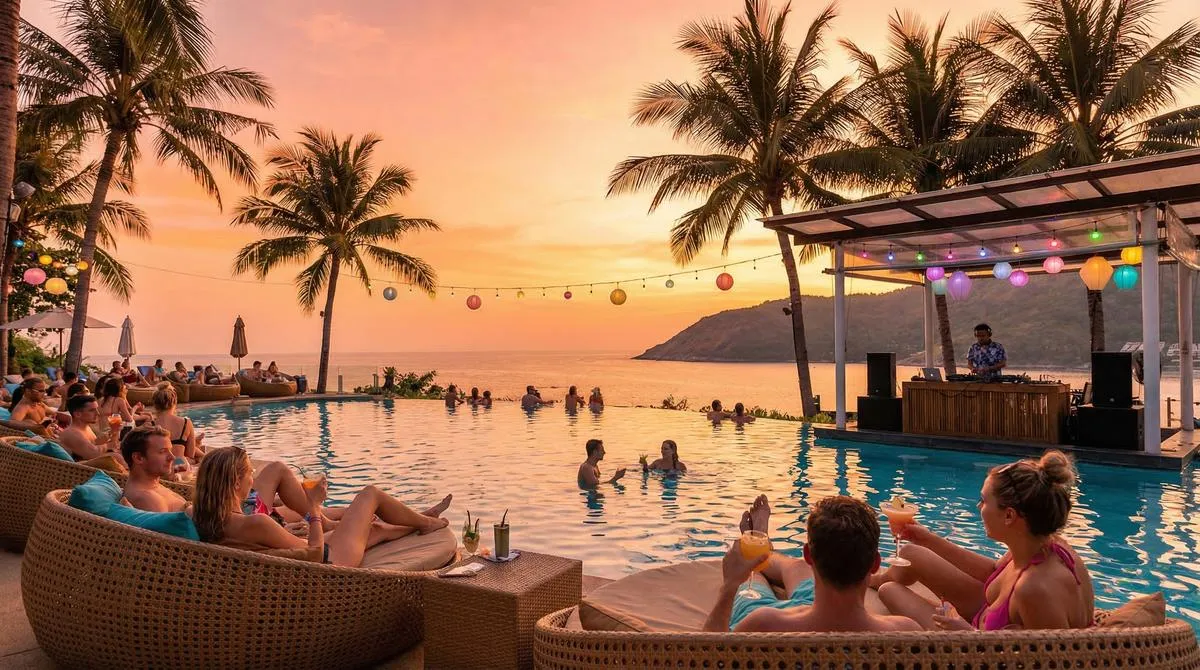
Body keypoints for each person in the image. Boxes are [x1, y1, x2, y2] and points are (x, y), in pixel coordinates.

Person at [874, 450, 1093, 631]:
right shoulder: (1042, 543)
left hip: (976, 641)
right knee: (911, 554)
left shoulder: (1034, 590)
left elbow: (1051, 660)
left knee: (890, 591)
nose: (979, 507)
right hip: (984, 616)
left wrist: (966, 632)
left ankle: (877, 584)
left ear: (1009, 516)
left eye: (983, 501)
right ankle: (874, 580)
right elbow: (994, 571)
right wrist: (928, 538)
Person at [191, 446, 453, 567]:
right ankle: (427, 522)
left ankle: (422, 519)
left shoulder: (201, 515)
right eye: (250, 473)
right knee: (370, 494)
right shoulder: (253, 522)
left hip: (300, 560)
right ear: (237, 482)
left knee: (374, 528)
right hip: (330, 563)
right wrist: (314, 509)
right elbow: (314, 552)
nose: (254, 478)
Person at [704, 495, 922, 633]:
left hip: (801, 616)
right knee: (796, 569)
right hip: (819, 606)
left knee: (755, 576)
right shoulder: (905, 633)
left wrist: (729, 587)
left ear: (809, 555)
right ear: (875, 564)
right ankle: (765, 547)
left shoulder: (764, 624)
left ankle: (758, 551)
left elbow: (707, 659)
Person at [121, 425, 191, 512]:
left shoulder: (152, 487)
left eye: (170, 450)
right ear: (138, 458)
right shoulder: (147, 499)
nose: (172, 457)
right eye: (162, 451)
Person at [58, 394, 122, 464]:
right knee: (116, 457)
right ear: (77, 414)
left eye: (97, 409)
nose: (97, 413)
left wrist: (114, 431)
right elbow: (92, 454)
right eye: (92, 410)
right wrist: (109, 445)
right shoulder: (71, 433)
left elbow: (93, 443)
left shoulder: (85, 428)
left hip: (90, 468)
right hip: (79, 471)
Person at [151, 384, 204, 461]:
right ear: (174, 402)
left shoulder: (149, 425)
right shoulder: (186, 423)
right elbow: (190, 455)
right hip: (179, 464)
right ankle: (196, 443)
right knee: (195, 459)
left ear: (155, 404)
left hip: (159, 466)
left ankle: (195, 442)